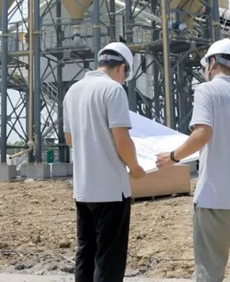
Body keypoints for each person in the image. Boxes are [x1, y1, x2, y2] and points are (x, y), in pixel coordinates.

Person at [156, 38, 230, 282]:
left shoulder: (206, 91)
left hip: (216, 199)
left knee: (209, 267)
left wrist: (173, 157)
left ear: (212, 62)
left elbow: (202, 134)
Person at [63, 42, 146, 281]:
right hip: (111, 189)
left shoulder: (73, 91)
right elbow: (121, 138)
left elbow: (69, 139)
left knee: (86, 252)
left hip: (83, 190)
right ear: (122, 68)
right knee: (109, 258)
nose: (123, 81)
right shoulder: (113, 90)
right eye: (125, 76)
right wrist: (135, 167)